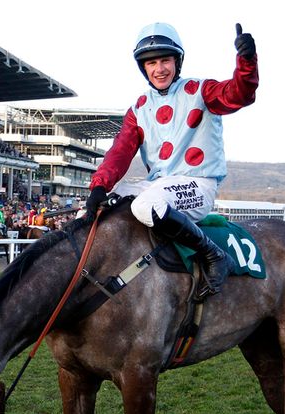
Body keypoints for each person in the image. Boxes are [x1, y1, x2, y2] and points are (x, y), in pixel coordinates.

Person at [85, 22, 258, 296]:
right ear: (144, 68)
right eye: (151, 63)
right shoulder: (139, 108)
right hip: (159, 185)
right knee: (109, 201)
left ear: (177, 61)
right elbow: (120, 152)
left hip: (197, 184)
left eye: (165, 60)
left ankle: (215, 257)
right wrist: (99, 186)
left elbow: (240, 94)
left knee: (145, 206)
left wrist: (246, 61)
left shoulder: (203, 91)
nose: (159, 69)